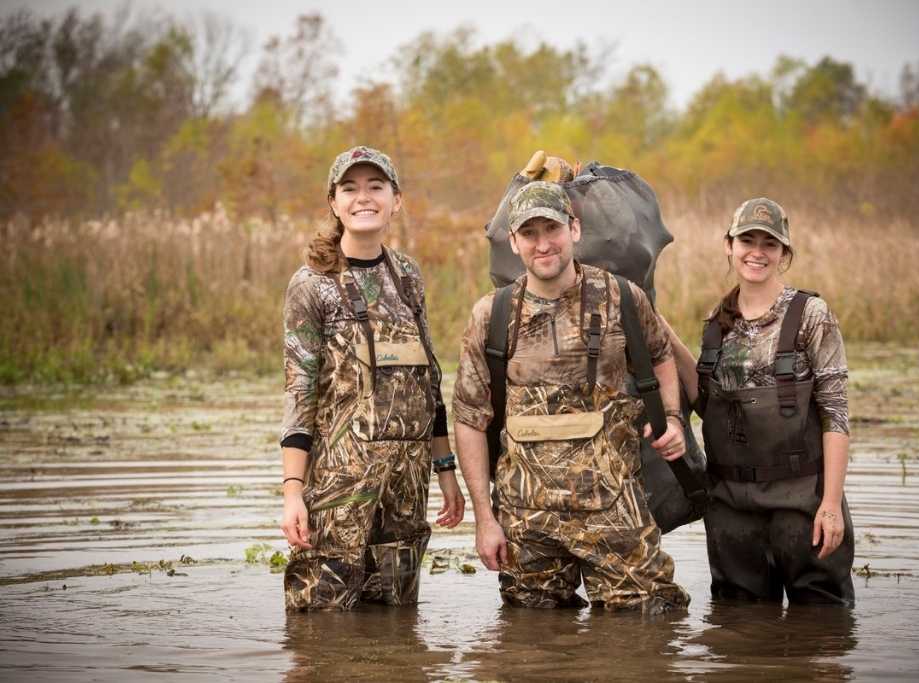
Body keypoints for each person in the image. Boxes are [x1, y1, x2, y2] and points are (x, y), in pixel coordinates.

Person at [453, 181, 690, 613]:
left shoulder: (622, 297)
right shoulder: (492, 314)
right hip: (526, 522)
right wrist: (484, 519)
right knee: (530, 634)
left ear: (575, 229)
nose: (543, 244)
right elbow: (470, 419)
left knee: (649, 622)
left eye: (553, 229)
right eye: (529, 233)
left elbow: (660, 357)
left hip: (615, 509)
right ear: (514, 242)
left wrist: (672, 418)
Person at [278, 146, 465, 611]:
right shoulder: (312, 284)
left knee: (398, 620)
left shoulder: (407, 276)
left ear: (395, 200)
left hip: (406, 489)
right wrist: (293, 492)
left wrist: (446, 472)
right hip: (339, 489)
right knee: (319, 624)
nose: (363, 197)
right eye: (350, 188)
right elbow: (299, 391)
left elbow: (429, 382)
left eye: (375, 187)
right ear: (334, 203)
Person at [691, 197, 855, 605]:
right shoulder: (715, 323)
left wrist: (830, 505)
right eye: (747, 240)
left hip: (801, 504)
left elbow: (835, 414)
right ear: (729, 246)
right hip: (731, 509)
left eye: (770, 243)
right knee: (736, 629)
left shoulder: (812, 315)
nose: (758, 252)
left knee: (821, 627)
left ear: (785, 253)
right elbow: (704, 404)